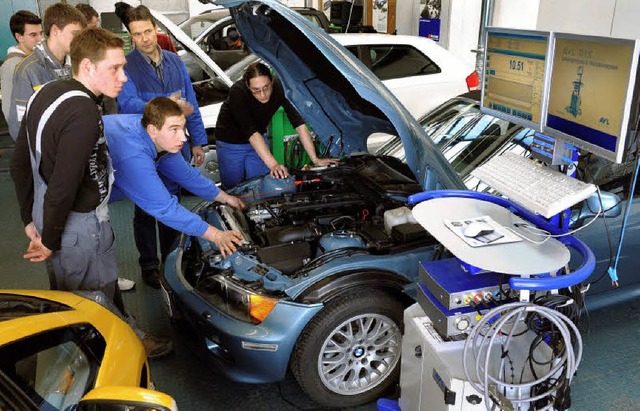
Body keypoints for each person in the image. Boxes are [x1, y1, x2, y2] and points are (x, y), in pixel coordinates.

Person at [10, 27, 172, 359]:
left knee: (75, 293)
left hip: (47, 212)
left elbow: (19, 162)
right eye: (115, 68)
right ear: (86, 67)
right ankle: (114, 356)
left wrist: (31, 218)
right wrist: (51, 239)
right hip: (78, 225)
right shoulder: (84, 111)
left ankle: (104, 344)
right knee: (92, 297)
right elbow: (63, 185)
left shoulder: (46, 91)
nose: (124, 77)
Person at [116, 5, 208, 288]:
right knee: (145, 209)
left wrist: (198, 141)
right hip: (146, 150)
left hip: (175, 148)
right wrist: (166, 101)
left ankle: (170, 259)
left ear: (155, 28)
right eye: (136, 35)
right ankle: (148, 266)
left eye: (147, 31)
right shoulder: (127, 66)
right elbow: (127, 103)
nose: (144, 39)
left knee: (172, 202)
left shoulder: (173, 60)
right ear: (130, 36)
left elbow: (190, 102)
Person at [105, 97, 245, 256]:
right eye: (174, 129)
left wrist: (226, 198)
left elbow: (188, 176)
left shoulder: (158, 137)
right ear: (152, 130)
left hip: (103, 184)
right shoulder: (133, 155)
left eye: (182, 128)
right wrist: (216, 235)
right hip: (80, 194)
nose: (183, 138)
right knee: (92, 238)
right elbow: (164, 208)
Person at [215, 62, 339, 188]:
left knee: (262, 185)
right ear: (247, 85)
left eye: (266, 87)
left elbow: (299, 124)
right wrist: (274, 164)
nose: (263, 95)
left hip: (259, 142)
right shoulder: (238, 92)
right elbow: (250, 131)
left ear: (272, 81)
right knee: (232, 188)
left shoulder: (279, 88)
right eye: (256, 90)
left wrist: (315, 159)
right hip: (231, 143)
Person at [8, 2, 86, 140]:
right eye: (75, 34)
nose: (79, 40)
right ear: (55, 30)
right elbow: (20, 128)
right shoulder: (28, 70)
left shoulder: (75, 64)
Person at [1, 11, 42, 123]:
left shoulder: (37, 59)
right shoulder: (12, 65)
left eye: (40, 33)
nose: (40, 39)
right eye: (33, 35)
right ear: (19, 37)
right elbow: (9, 110)